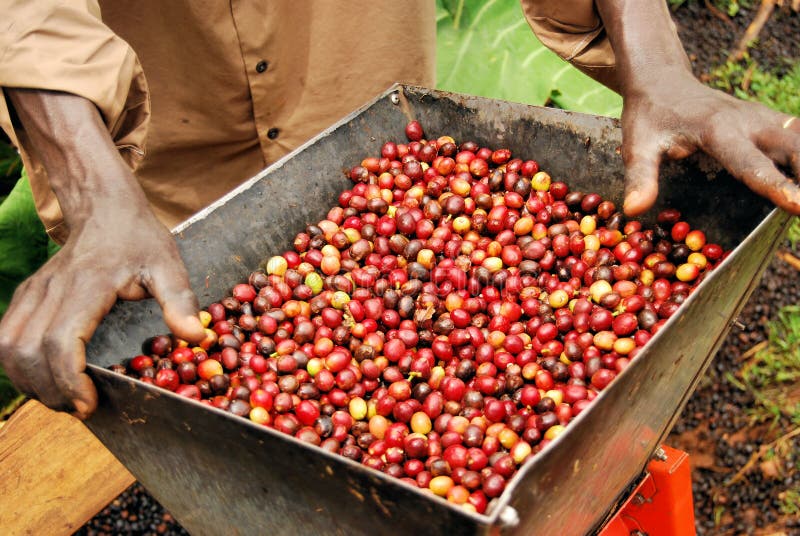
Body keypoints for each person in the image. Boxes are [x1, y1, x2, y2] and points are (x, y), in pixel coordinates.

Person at [0, 0, 798, 420]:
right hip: (157, 118)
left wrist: (657, 64)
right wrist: (91, 183)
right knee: (196, 333)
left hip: (350, 71)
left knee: (371, 167)